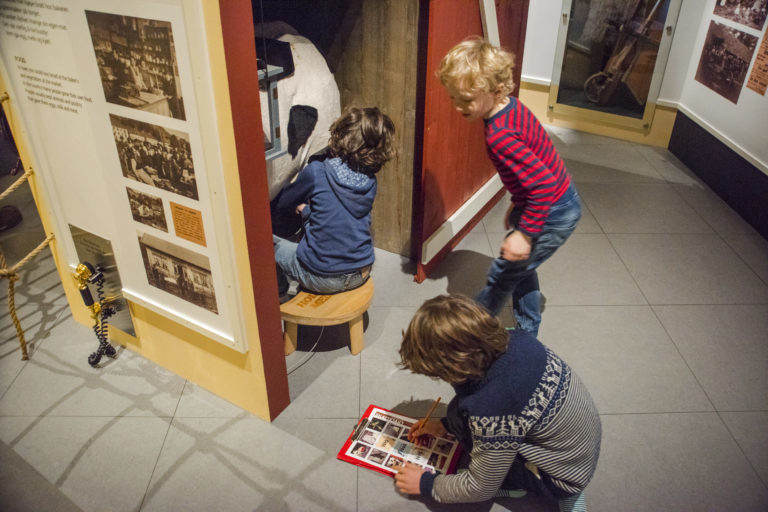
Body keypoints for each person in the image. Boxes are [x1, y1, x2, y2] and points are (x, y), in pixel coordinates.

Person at [395, 295, 601, 511]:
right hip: (577, 447)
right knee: (459, 412)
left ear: (453, 367)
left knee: (481, 448)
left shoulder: (491, 411)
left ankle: (551, 492)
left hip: (561, 477)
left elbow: (480, 487)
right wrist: (443, 425)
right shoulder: (517, 338)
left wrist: (426, 484)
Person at [438, 38, 582, 336]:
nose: (457, 106)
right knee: (521, 269)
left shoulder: (499, 135)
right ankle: (529, 329)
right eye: (453, 97)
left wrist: (525, 234)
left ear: (496, 89)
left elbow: (541, 184)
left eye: (465, 98)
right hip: (557, 201)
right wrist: (518, 203)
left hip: (552, 210)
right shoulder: (512, 107)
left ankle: (465, 334)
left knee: (502, 275)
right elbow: (538, 160)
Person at [272, 106, 395, 298]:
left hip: (322, 278)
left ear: (340, 136)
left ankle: (279, 296)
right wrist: (307, 211)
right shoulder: (370, 181)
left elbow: (283, 203)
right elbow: (339, 215)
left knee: (266, 242)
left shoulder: (317, 171)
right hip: (361, 271)